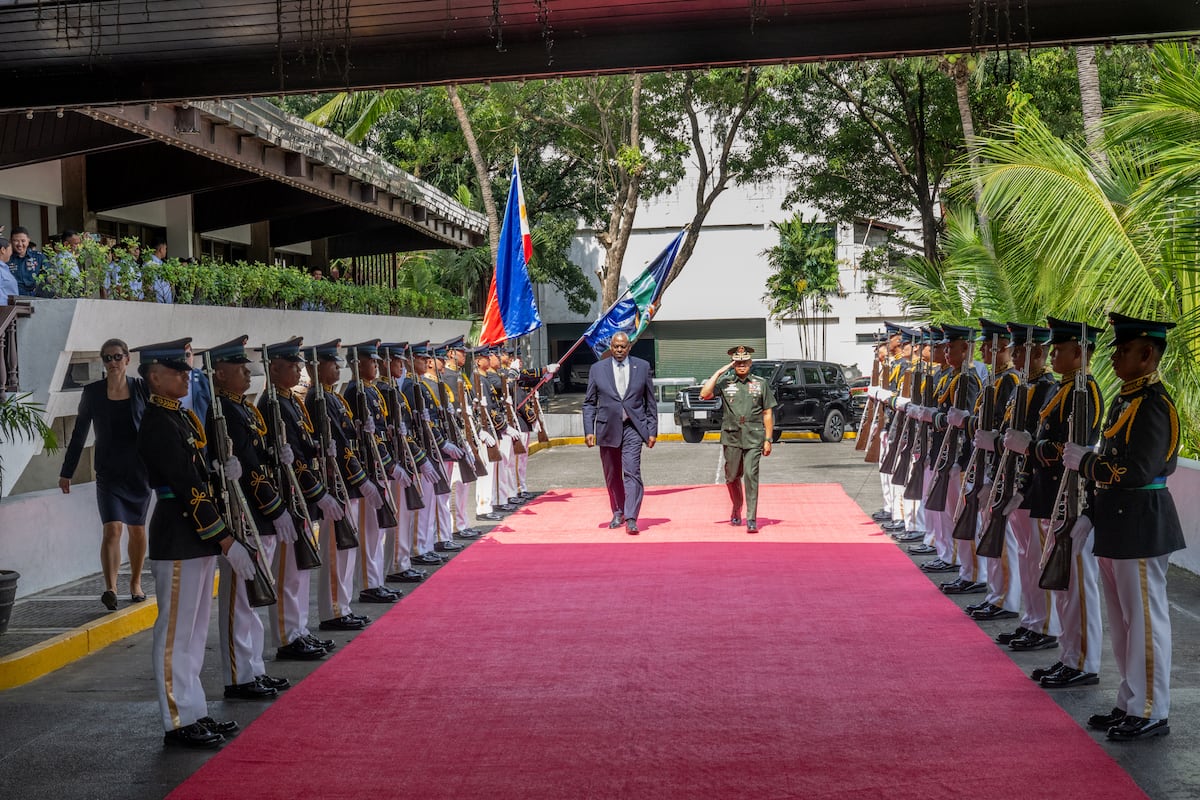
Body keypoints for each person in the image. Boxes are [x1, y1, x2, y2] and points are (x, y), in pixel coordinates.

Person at [1066, 312, 1185, 741]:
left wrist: (1087, 463)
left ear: (1148, 354)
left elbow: (1137, 470)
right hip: (1119, 523)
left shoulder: (1153, 406)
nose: (1115, 357)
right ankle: (1130, 701)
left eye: (1124, 350)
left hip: (1142, 524)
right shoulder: (1125, 400)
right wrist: (1091, 513)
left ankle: (1151, 709)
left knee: (1145, 622)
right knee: (1123, 623)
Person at [133, 337, 242, 749]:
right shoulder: (158, 422)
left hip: (193, 536)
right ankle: (176, 719)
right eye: (176, 371)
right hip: (178, 533)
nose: (184, 376)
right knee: (176, 633)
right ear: (154, 377)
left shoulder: (178, 416)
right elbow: (185, 486)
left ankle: (194, 710)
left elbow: (200, 475)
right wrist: (225, 537)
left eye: (185, 370)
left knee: (194, 631)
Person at [1005, 317, 1104, 688]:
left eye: (1059, 349)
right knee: (1061, 585)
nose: (1052, 354)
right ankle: (1069, 656)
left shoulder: (1086, 390)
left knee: (1076, 586)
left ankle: (1082, 662)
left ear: (1080, 353)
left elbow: (1075, 447)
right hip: (1050, 495)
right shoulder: (1061, 389)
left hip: (1071, 499)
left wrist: (1031, 447)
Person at [203, 336, 295, 700]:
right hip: (245, 515)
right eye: (240, 368)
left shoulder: (243, 409)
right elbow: (248, 469)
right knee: (240, 599)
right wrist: (274, 506)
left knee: (254, 597)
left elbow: (260, 459)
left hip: (260, 514)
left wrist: (279, 457)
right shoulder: (221, 412)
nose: (247, 372)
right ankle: (239, 677)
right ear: (220, 374)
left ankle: (253, 668)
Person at [58, 338, 152, 610]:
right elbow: (79, 433)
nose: (112, 362)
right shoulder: (93, 393)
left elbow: (157, 424)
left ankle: (135, 582)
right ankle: (110, 588)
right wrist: (67, 472)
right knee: (112, 528)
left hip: (138, 471)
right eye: (107, 358)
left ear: (127, 360)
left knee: (137, 530)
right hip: (109, 472)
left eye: (117, 357)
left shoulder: (141, 388)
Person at [581, 331, 657, 534]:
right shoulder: (598, 369)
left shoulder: (642, 367)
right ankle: (618, 511)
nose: (619, 350)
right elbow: (589, 403)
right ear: (611, 347)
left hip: (633, 427)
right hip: (607, 428)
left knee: (632, 472)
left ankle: (631, 517)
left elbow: (650, 402)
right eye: (616, 346)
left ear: (629, 347)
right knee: (612, 473)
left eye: (623, 346)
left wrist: (652, 430)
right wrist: (589, 429)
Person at [699, 345, 776, 532]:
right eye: (738, 362)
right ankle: (736, 506)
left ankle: (751, 518)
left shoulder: (760, 384)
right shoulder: (726, 383)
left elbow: (767, 412)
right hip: (732, 436)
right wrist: (719, 371)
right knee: (732, 477)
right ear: (733, 364)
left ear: (750, 363)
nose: (742, 365)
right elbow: (704, 394)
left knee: (751, 475)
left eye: (745, 362)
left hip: (754, 436)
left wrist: (768, 439)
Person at [9, 226, 48, 296]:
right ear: (11, 241)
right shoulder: (6, 258)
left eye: (23, 241)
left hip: (38, 298)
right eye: (16, 241)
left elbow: (48, 276)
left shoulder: (39, 257)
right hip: (14, 298)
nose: (20, 244)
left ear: (28, 240)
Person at [0, 237, 17, 303]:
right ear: (3, 250)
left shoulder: (4, 268)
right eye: (10, 250)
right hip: (4, 311)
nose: (11, 253)